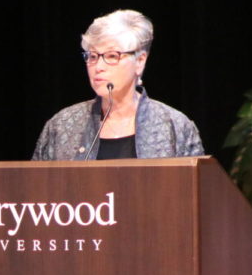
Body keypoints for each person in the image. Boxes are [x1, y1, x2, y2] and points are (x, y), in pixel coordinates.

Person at [31, 9, 204, 161]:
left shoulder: (175, 126)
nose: (98, 67)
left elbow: (197, 192)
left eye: (112, 56)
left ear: (140, 61)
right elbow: (37, 192)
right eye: (92, 56)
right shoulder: (62, 125)